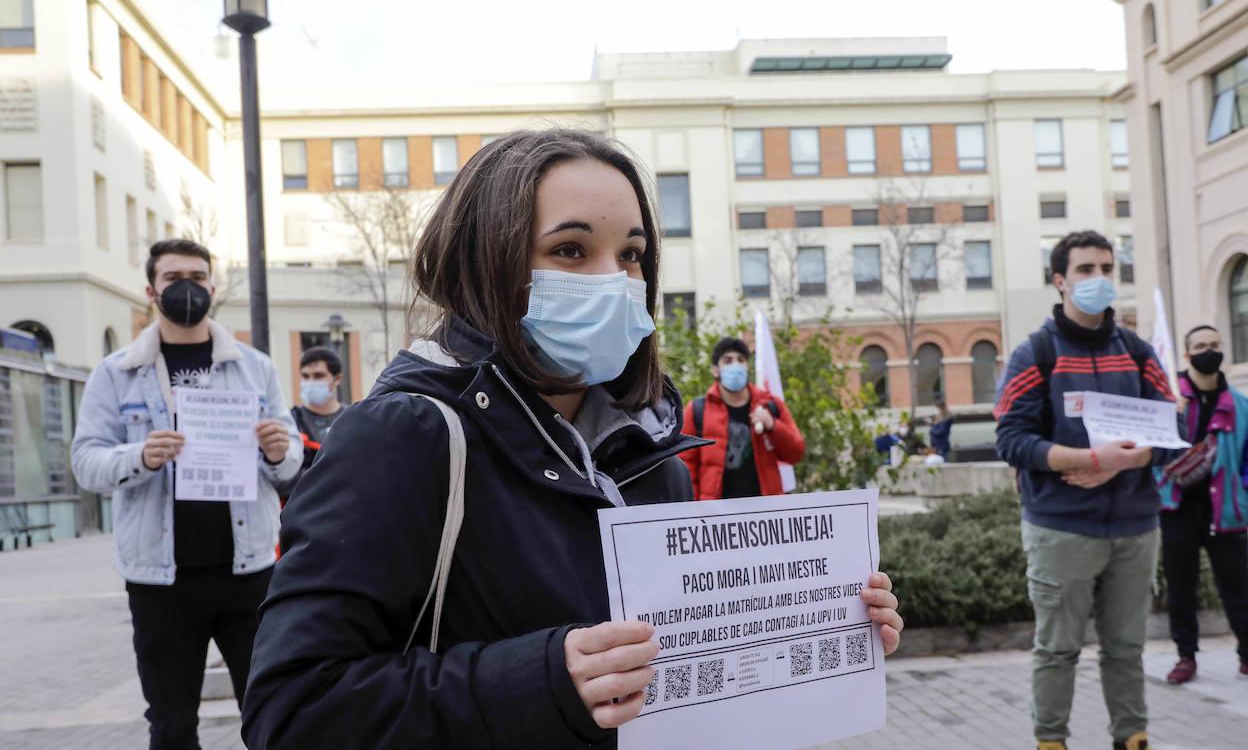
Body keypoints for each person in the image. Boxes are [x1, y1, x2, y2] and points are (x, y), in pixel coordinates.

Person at [240, 129, 903, 749]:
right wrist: (544, 678)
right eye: (570, 251)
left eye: (633, 255)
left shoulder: (649, 453)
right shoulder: (404, 439)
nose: (613, 279)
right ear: (487, 263)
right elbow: (292, 708)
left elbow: (678, 673)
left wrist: (822, 627)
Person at [70, 239, 301, 750]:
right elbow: (85, 461)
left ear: (213, 288)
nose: (187, 288)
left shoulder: (253, 366)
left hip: (248, 573)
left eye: (197, 277)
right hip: (159, 579)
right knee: (172, 725)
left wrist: (277, 449)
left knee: (272, 714)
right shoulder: (116, 373)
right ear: (152, 290)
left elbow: (288, 460)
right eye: (174, 278)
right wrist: (141, 456)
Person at [994, 231, 1176, 750]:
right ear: (1060, 281)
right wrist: (1086, 461)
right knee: (1057, 648)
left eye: (1106, 269)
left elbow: (1170, 430)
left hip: (1135, 527)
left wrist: (1125, 462)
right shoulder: (1036, 353)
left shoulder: (1138, 352)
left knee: (1127, 648)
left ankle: (1132, 737)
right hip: (1061, 528)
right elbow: (1011, 439)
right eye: (1085, 270)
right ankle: (1050, 740)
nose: (1098, 280)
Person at [1155, 325, 1248, 684]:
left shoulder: (1239, 406)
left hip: (1225, 509)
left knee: (1238, 584)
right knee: (1181, 585)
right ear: (1187, 353)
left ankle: (1245, 653)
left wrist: (1242, 490)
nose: (1208, 351)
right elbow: (1151, 451)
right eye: (1200, 346)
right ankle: (1186, 657)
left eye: (1214, 344)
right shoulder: (1170, 398)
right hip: (1177, 508)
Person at [679, 337, 805, 499]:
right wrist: (695, 509)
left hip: (765, 509)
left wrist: (773, 426)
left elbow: (796, 453)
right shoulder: (697, 410)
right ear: (715, 370)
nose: (735, 366)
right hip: (717, 513)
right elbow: (686, 465)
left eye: (740, 360)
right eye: (728, 360)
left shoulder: (770, 405)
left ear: (747, 366)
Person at [278, 346, 349, 500]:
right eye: (305, 376)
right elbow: (283, 477)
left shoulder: (352, 419)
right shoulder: (291, 421)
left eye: (318, 376)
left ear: (337, 379)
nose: (310, 382)